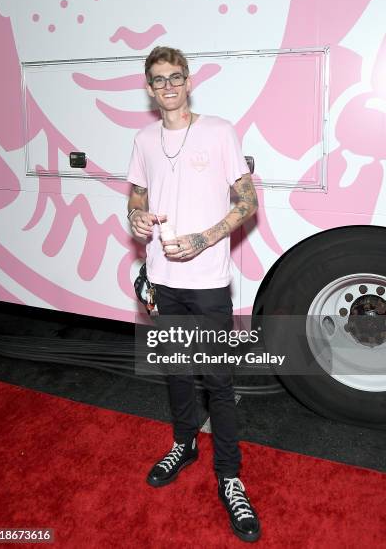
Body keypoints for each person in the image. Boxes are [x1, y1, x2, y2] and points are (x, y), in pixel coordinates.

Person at [127, 46, 260, 543]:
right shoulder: (142, 139)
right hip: (164, 280)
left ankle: (230, 476)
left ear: (188, 82)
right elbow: (137, 197)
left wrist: (205, 237)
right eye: (158, 80)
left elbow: (247, 201)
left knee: (218, 382)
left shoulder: (219, 131)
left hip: (207, 284)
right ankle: (184, 444)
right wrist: (135, 218)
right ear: (148, 87)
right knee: (178, 373)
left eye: (175, 77)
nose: (168, 87)